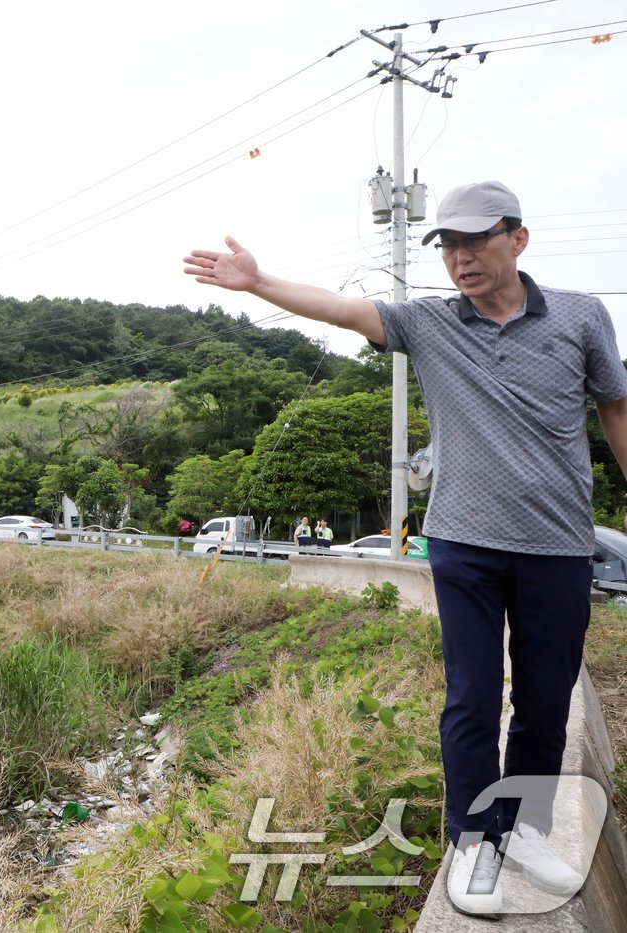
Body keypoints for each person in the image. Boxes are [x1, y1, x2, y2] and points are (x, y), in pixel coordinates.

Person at [184, 180, 627, 916]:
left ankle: (526, 830)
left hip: (557, 544)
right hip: (463, 542)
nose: (460, 258)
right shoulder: (429, 324)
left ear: (517, 238)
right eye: (448, 246)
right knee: (474, 697)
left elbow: (615, 402)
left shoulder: (582, 317)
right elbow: (342, 307)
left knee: (547, 701)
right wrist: (258, 282)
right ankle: (474, 838)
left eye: (475, 240)